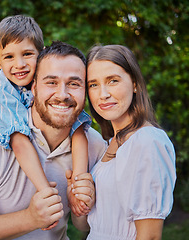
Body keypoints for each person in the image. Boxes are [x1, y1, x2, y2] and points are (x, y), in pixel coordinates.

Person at [0, 41, 107, 239]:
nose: (62, 95)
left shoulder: (95, 145)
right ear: (34, 87)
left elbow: (84, 227)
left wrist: (81, 205)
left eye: (74, 83)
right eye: (51, 82)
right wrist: (29, 218)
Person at [0, 15, 91, 198]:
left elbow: (78, 126)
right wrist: (45, 190)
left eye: (27, 54)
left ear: (40, 53)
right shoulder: (2, 90)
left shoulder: (45, 81)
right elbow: (18, 141)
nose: (20, 65)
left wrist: (78, 185)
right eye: (9, 57)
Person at [72, 44, 176, 239]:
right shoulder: (108, 144)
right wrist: (77, 198)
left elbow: (150, 236)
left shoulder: (147, 141)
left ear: (135, 83)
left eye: (112, 81)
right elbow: (87, 226)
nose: (103, 94)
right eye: (93, 84)